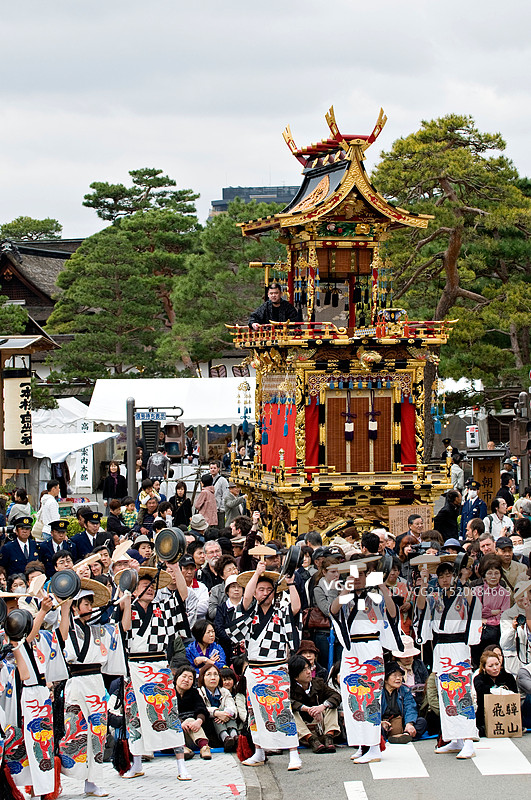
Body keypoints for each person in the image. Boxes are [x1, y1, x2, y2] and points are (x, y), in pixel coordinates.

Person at [58, 575, 131, 796]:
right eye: (85, 603)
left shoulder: (100, 631)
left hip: (96, 684)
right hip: (76, 684)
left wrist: (126, 605)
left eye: (91, 603)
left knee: (97, 733)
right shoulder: (67, 628)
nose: (89, 607)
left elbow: (123, 628)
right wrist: (65, 607)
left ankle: (93, 782)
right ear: (76, 606)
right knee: (76, 733)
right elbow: (61, 637)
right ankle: (62, 774)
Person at [121, 562, 192, 781]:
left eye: (152, 585)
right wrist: (125, 603)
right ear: (134, 589)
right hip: (134, 667)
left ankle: (181, 765)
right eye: (144, 585)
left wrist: (176, 568)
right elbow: (124, 629)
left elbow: (182, 594)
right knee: (135, 718)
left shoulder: (164, 607)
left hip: (158, 666)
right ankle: (137, 763)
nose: (150, 589)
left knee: (168, 714)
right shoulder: (126, 606)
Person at [228, 561, 302, 771]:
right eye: (261, 589)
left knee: (281, 710)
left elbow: (296, 608)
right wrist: (257, 574)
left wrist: (291, 584)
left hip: (276, 668)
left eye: (269, 589)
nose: (265, 593)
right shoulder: (249, 613)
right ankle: (259, 751)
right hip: (254, 668)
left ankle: (293, 752)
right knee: (255, 712)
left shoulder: (281, 611)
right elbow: (246, 598)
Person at [330, 557, 401, 764]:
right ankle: (361, 744)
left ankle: (373, 746)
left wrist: (382, 585)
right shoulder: (345, 596)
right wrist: (346, 588)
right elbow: (333, 611)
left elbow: (393, 613)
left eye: (361, 574)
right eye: (354, 574)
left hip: (371, 649)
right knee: (353, 697)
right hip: (351, 650)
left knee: (371, 698)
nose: (358, 578)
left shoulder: (376, 595)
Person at [415, 561, 481, 759]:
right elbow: (420, 606)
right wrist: (424, 583)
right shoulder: (435, 596)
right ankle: (454, 738)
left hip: (459, 645)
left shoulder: (464, 593)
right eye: (441, 576)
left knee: (461, 692)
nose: (445, 579)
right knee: (446, 693)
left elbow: (474, 605)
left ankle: (468, 738)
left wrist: (464, 580)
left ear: (454, 576)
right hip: (441, 647)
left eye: (448, 575)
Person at [288, 654, 341, 753]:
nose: (309, 672)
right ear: (295, 676)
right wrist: (306, 709)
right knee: (291, 712)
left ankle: (329, 737)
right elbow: (288, 702)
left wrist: (322, 706)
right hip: (303, 727)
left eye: (309, 668)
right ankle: (311, 739)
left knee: (331, 705)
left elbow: (336, 696)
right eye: (304, 670)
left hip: (320, 725)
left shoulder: (318, 683)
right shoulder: (290, 688)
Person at [381, 661, 428, 743]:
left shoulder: (404, 690)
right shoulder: (378, 692)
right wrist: (380, 722)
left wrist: (409, 724)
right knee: (374, 728)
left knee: (421, 722)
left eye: (400, 675)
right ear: (385, 679)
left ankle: (405, 735)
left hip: (400, 723)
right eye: (395, 675)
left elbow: (410, 707)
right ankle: (384, 737)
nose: (399, 678)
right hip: (383, 724)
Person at [473, 651, 517, 737]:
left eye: (497, 664)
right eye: (491, 666)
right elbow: (481, 689)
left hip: (507, 717)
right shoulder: (479, 679)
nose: (495, 668)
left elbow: (515, 695)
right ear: (484, 667)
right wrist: (495, 691)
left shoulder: (508, 677)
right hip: (485, 717)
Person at [197, 664, 239, 751]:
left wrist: (226, 714)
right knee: (217, 711)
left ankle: (234, 736)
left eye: (216, 674)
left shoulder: (224, 691)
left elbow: (232, 707)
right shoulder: (198, 692)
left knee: (227, 710)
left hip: (227, 720)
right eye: (209, 674)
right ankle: (225, 738)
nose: (213, 678)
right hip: (209, 726)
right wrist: (217, 713)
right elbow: (201, 709)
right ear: (202, 677)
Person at [173, 665, 211, 759]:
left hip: (192, 734)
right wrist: (180, 723)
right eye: (184, 676)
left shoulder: (194, 693)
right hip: (174, 734)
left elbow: (202, 709)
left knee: (191, 720)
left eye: (190, 678)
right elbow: (166, 714)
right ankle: (182, 749)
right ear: (177, 678)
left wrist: (199, 721)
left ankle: (204, 747)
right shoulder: (169, 693)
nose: (186, 680)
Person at [391, 635, 429, 708]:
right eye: (404, 656)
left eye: (410, 655)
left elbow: (426, 682)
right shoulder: (393, 668)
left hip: (419, 701)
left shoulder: (419, 664)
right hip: (400, 702)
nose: (407, 658)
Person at [495, 536, 527, 600]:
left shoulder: (522, 568)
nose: (507, 554)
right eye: (503, 551)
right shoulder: (493, 569)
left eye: (510, 551)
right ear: (496, 552)